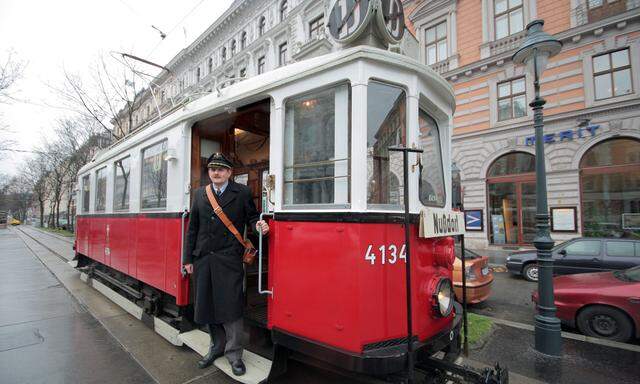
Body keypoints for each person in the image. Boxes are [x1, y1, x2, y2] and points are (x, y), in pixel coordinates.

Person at [183, 152, 269, 376]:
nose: (216, 173)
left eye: (221, 169)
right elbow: (192, 229)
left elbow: (251, 218)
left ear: (229, 172)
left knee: (231, 309)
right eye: (212, 169)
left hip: (229, 259)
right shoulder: (200, 193)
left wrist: (259, 226)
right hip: (204, 259)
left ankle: (234, 354)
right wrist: (188, 259)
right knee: (207, 305)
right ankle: (216, 347)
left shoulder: (241, 193)